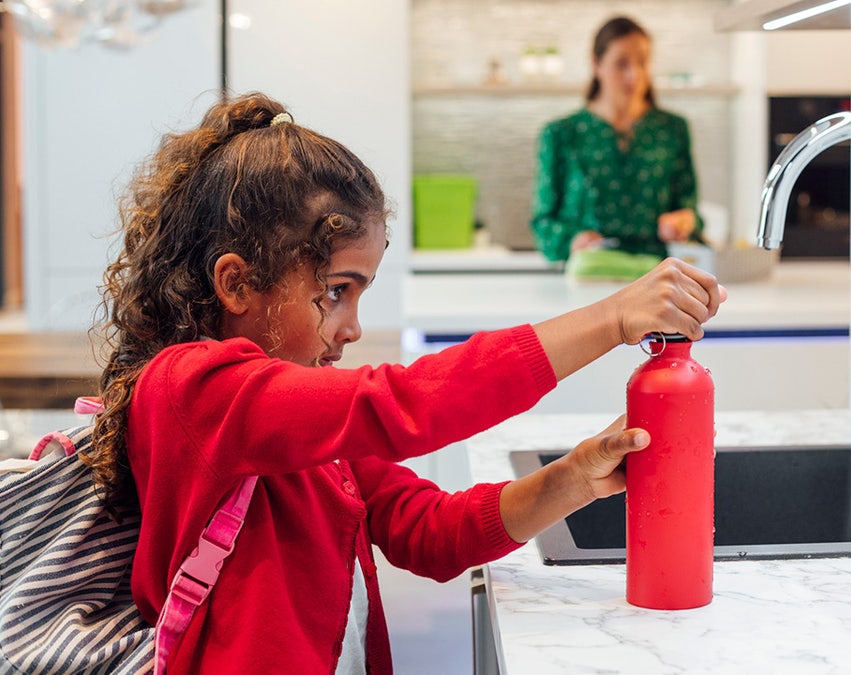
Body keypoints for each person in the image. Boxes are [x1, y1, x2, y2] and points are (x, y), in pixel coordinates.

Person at [83, 92, 725, 673]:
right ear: (238, 283)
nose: (352, 327)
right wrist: (609, 318)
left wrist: (573, 477)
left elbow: (431, 531)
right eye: (336, 293)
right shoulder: (191, 389)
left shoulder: (308, 428)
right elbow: (399, 404)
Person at [530, 15, 704, 263]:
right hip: (588, 272)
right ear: (596, 63)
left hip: (657, 276)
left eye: (642, 63)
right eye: (621, 64)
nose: (634, 75)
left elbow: (692, 213)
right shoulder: (560, 133)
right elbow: (543, 222)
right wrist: (573, 240)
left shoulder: (672, 129)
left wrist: (683, 223)